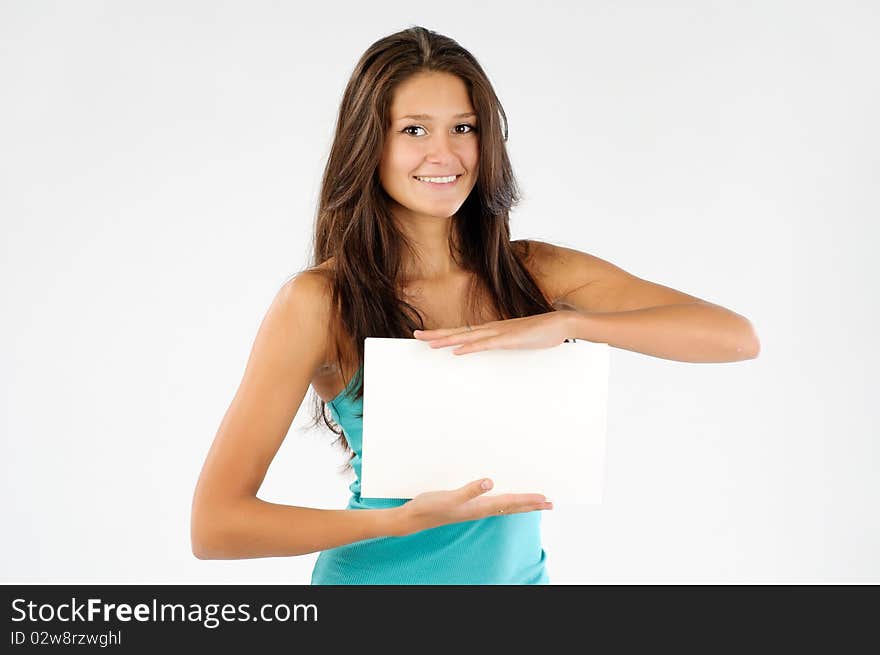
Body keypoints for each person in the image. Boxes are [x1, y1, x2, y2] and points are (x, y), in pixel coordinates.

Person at [190, 26, 760, 584]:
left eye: (464, 127)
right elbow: (215, 526)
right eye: (414, 129)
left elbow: (735, 338)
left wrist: (565, 324)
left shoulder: (536, 274)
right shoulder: (321, 301)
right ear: (369, 145)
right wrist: (401, 520)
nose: (445, 153)